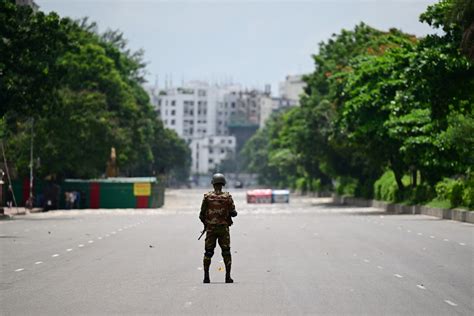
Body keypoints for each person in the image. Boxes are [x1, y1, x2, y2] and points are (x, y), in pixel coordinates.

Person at [199, 173, 238, 284]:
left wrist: (206, 224)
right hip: (223, 229)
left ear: (213, 184)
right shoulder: (227, 197)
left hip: (210, 230)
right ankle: (228, 277)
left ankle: (206, 277)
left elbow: (201, 215)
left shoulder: (207, 197)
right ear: (223, 184)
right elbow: (233, 212)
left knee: (208, 253)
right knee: (226, 252)